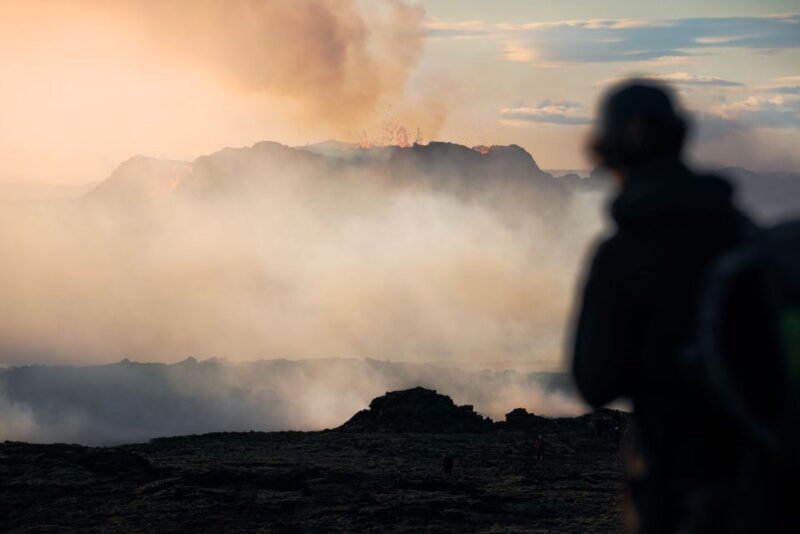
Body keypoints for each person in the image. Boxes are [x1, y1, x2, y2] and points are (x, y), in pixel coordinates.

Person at [570, 80, 753, 533]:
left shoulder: (625, 251)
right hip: (761, 482)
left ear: (614, 147)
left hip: (677, 487)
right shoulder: (742, 232)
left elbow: (594, 381)